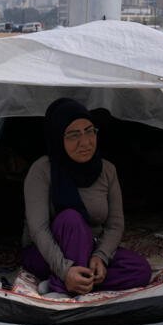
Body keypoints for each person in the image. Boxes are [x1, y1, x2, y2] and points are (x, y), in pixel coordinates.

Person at [21, 98, 151, 295]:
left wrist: (101, 256)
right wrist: (65, 270)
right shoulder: (42, 170)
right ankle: (65, 283)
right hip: (47, 253)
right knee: (71, 218)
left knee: (140, 270)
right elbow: (39, 230)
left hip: (91, 247)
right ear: (57, 137)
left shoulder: (107, 170)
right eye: (74, 135)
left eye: (90, 131)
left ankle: (65, 283)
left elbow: (115, 224)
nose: (85, 142)